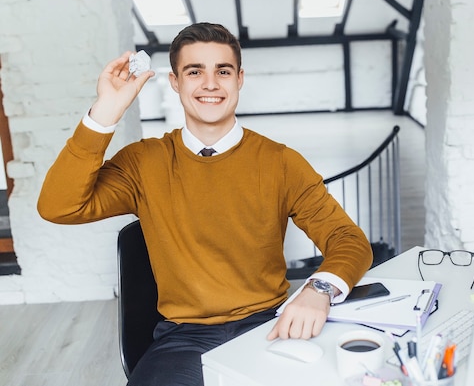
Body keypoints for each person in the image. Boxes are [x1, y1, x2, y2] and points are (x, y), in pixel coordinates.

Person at [37, 22, 373, 386]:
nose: (210, 84)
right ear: (175, 82)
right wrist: (105, 113)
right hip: (183, 337)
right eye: (194, 71)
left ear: (239, 79)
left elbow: (348, 240)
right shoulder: (143, 162)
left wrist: (317, 290)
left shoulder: (280, 161)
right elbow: (59, 206)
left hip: (269, 323)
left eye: (223, 71)